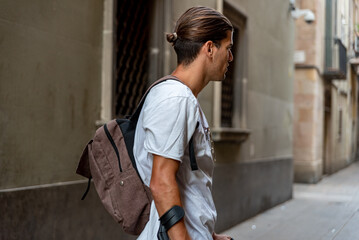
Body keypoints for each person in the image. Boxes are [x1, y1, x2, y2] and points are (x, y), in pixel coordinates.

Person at [133, 6, 234, 240]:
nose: (230, 57)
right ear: (209, 48)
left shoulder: (184, 97)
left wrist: (210, 234)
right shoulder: (176, 98)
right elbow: (161, 181)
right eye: (228, 48)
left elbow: (188, 183)